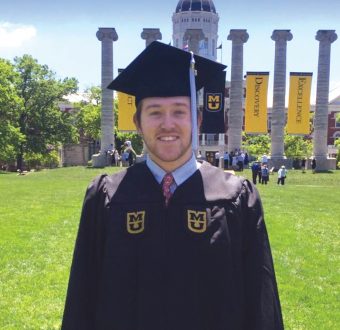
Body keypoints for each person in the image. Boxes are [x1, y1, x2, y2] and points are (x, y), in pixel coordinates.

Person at [62, 41, 283, 329]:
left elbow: (261, 300)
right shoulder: (106, 196)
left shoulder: (237, 197)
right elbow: (82, 297)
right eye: (155, 112)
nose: (168, 124)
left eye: (180, 111)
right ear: (138, 123)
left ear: (198, 120)